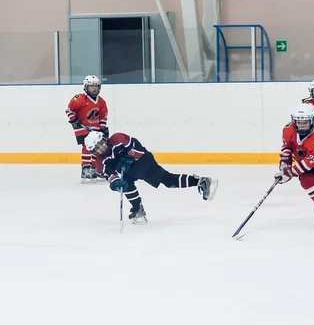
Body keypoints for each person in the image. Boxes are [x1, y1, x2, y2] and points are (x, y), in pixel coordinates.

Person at [84, 131, 218, 224]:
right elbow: (110, 176)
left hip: (143, 162)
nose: (101, 148)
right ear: (94, 152)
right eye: (97, 148)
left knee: (168, 180)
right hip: (129, 172)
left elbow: (139, 150)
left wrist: (129, 158)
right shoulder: (99, 163)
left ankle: (201, 181)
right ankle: (137, 209)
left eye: (101, 143)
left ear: (104, 139)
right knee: (126, 184)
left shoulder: (118, 139)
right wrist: (116, 183)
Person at [65, 75, 109, 182]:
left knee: (99, 148)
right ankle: (85, 168)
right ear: (85, 87)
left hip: (96, 129)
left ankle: (95, 167)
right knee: (87, 146)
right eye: (91, 86)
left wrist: (103, 129)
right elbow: (69, 110)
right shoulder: (79, 98)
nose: (94, 89)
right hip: (82, 128)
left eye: (96, 86)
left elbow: (103, 117)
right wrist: (74, 120)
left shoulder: (101, 102)